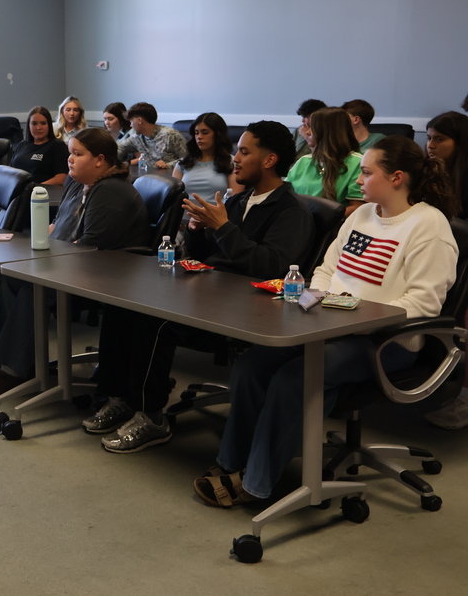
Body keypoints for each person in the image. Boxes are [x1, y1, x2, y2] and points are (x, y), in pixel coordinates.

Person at [195, 136, 458, 506]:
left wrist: (354, 315)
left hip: (385, 342)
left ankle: (255, 484)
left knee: (295, 378)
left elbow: (424, 304)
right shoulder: (363, 215)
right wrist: (313, 300)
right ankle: (231, 463)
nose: (359, 181)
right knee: (252, 364)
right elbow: (326, 269)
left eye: (366, 173)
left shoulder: (428, 227)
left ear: (397, 177)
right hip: (329, 324)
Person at [88, 121, 312, 451]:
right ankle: (120, 396)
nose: (235, 157)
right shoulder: (238, 202)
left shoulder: (292, 212)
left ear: (270, 160)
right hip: (214, 295)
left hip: (249, 310)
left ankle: (151, 416)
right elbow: (210, 255)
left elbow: (270, 267)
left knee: (156, 319)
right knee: (124, 303)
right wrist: (197, 231)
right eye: (237, 150)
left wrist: (221, 228)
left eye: (245, 151)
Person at [0, 128, 151, 397]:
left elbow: (90, 248)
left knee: (33, 288)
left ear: (100, 160)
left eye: (77, 154)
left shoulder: (111, 192)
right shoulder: (79, 182)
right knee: (12, 274)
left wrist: (47, 257)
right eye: (70, 153)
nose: (70, 160)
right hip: (72, 261)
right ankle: (12, 361)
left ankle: (13, 370)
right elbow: (60, 226)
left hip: (105, 275)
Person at [422, 110, 468, 429]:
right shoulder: (434, 175)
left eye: (440, 139)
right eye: (429, 138)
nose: (431, 145)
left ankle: (464, 398)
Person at [286, 107, 365, 216]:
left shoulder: (358, 163)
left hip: (333, 229)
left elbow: (358, 207)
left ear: (327, 133)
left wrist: (316, 222)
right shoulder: (303, 161)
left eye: (312, 128)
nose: (307, 133)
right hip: (298, 224)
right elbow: (285, 197)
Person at [172, 112, 241, 203]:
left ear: (218, 135)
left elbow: (235, 201)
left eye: (205, 133)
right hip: (184, 214)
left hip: (215, 215)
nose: (199, 137)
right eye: (196, 133)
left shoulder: (231, 163)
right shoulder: (184, 163)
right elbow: (172, 197)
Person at [9, 106, 69, 185]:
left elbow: (61, 178)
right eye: (34, 123)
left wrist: (35, 189)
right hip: (16, 192)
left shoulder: (57, 146)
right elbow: (9, 171)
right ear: (29, 126)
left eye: (43, 123)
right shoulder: (23, 144)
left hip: (42, 193)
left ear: (49, 125)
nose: (38, 127)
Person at [116, 101, 187, 167]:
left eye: (131, 121)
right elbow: (120, 147)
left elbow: (189, 159)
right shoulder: (137, 138)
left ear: (139, 120)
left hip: (170, 177)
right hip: (149, 177)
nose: (131, 125)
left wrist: (168, 165)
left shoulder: (171, 135)